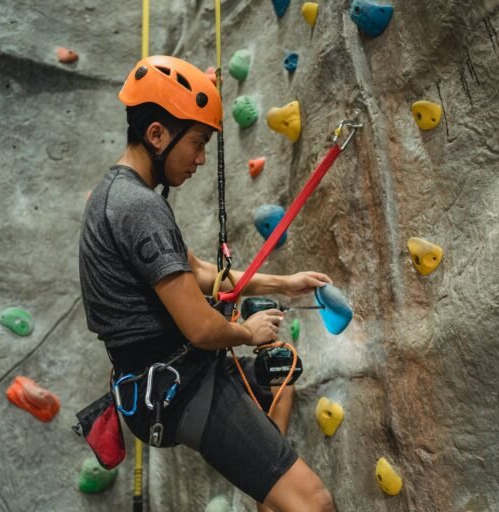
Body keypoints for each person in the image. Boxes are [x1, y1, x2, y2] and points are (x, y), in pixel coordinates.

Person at [78, 55, 337, 512]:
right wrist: (247, 333)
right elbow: (201, 327)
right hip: (182, 390)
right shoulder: (138, 208)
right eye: (196, 142)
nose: (200, 158)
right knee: (315, 504)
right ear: (156, 135)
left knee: (282, 379)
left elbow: (196, 273)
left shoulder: (117, 194)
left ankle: (271, 495)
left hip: (168, 380)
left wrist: (283, 283)